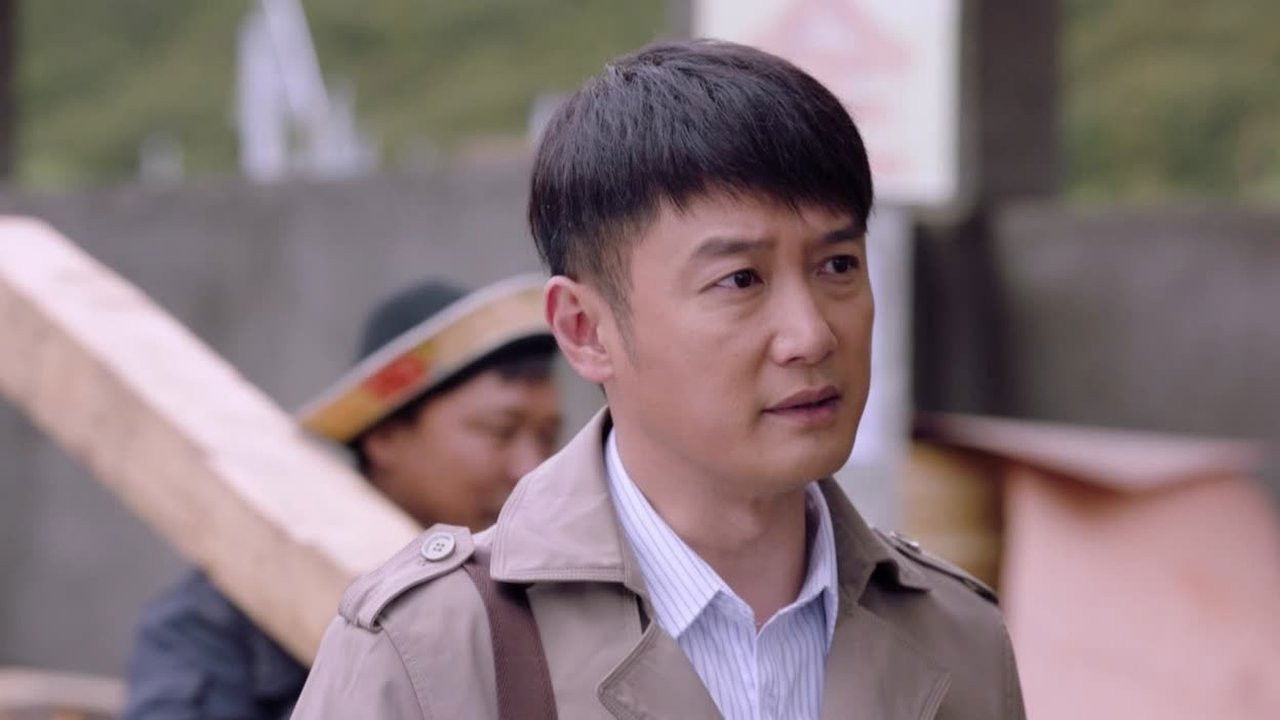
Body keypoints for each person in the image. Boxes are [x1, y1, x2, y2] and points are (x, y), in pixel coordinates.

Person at [293, 40, 1026, 720]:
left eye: (838, 265)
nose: (810, 335)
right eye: (740, 280)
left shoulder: (958, 637)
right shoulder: (432, 653)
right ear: (586, 329)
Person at [119, 277, 562, 720]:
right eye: (500, 431)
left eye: (547, 436)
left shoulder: (555, 594)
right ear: (386, 436)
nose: (530, 467)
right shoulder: (215, 627)